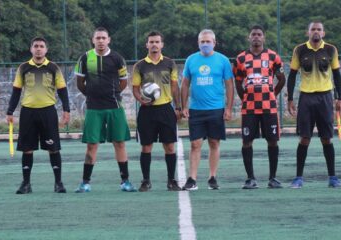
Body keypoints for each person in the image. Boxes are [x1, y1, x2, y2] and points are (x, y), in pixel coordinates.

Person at [74, 27, 136, 192]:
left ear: (109, 40)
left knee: (119, 143)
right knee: (92, 145)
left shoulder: (117, 58)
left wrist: (113, 94)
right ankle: (85, 183)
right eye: (98, 38)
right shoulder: (85, 58)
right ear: (93, 40)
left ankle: (125, 182)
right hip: (94, 108)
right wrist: (91, 94)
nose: (100, 41)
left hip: (114, 107)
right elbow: (80, 83)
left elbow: (123, 82)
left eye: (103, 38)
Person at [6, 37, 70, 194]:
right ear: (31, 49)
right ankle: (26, 184)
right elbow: (16, 91)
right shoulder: (23, 68)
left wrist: (66, 110)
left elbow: (62, 90)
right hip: (28, 112)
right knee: (27, 149)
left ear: (46, 50)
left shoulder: (54, 68)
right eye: (36, 46)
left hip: (48, 112)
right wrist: (10, 111)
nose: (39, 49)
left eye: (42, 46)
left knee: (53, 148)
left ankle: (58, 183)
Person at [287, 21, 341, 188]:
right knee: (304, 138)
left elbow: (337, 75)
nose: (316, 32)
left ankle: (333, 178)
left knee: (326, 138)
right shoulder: (299, 50)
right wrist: (290, 99)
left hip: (325, 98)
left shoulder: (331, 49)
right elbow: (291, 76)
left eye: (319, 29)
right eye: (313, 29)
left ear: (323, 33)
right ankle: (298, 178)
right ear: (308, 32)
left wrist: (340, 98)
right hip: (306, 98)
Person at [233, 25, 286, 189]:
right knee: (247, 141)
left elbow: (281, 79)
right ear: (249, 38)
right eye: (253, 34)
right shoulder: (240, 59)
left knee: (272, 141)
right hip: (249, 108)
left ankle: (273, 178)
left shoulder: (273, 57)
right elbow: (238, 82)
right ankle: (250, 178)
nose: (256, 37)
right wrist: (245, 98)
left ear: (264, 37)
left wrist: (272, 95)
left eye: (259, 34)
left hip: (269, 107)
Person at [181, 29, 234, 190]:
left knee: (214, 142)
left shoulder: (223, 60)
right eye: (202, 42)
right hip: (196, 109)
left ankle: (212, 177)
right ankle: (192, 179)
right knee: (195, 144)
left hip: (216, 109)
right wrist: (184, 106)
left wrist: (229, 108)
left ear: (214, 43)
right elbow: (184, 84)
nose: (205, 44)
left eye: (208, 41)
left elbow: (229, 85)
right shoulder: (191, 60)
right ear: (198, 43)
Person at [132, 31, 182, 192]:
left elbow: (175, 86)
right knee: (146, 147)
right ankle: (146, 181)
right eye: (151, 42)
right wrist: (141, 100)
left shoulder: (169, 63)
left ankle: (171, 180)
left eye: (157, 42)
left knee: (169, 146)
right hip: (147, 112)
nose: (154, 44)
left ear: (162, 44)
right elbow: (135, 89)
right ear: (146, 45)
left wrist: (178, 107)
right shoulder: (140, 65)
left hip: (166, 109)